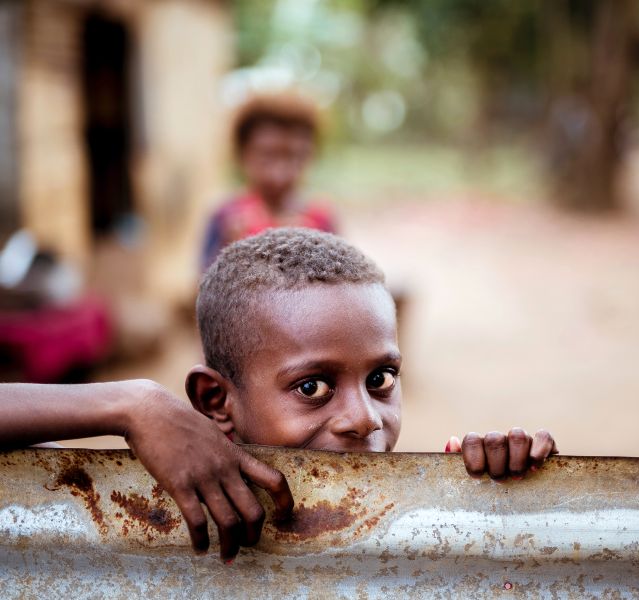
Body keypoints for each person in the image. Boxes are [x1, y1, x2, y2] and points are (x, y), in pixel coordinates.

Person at [0, 228, 557, 561]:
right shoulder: (154, 499)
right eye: (313, 387)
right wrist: (131, 404)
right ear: (217, 402)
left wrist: (499, 495)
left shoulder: (420, 510)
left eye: (381, 379)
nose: (364, 420)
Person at [201, 94, 335, 271]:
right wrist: (231, 253)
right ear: (243, 154)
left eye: (293, 157)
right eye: (268, 156)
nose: (278, 174)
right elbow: (203, 289)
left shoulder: (321, 220)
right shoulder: (226, 218)